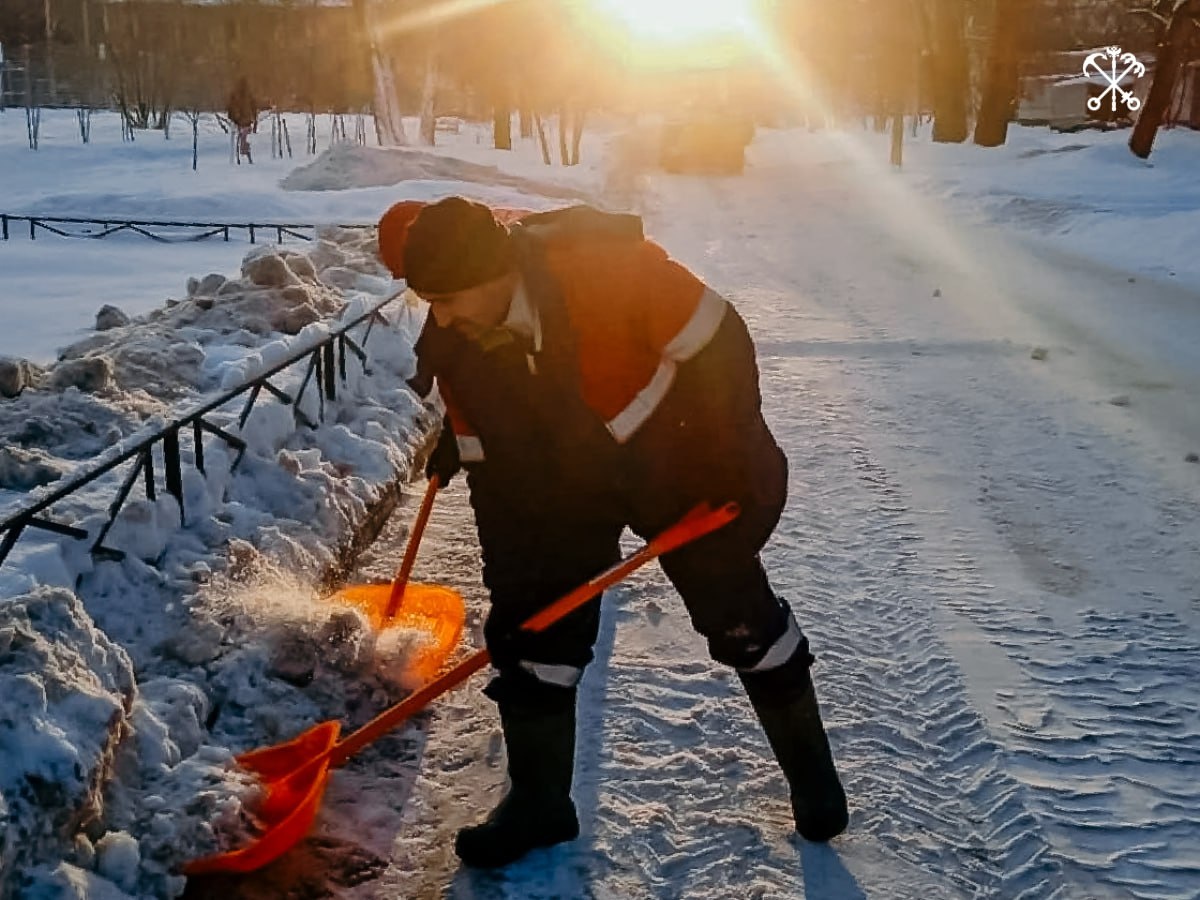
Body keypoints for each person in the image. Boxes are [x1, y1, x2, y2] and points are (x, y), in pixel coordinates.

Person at [376, 196, 849, 869]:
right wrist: (511, 587)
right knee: (534, 629)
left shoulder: (604, 274)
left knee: (740, 616)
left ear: (493, 274)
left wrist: (729, 454)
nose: (440, 317)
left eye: (447, 299)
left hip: (677, 462)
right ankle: (539, 804)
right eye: (430, 302)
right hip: (563, 482)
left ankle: (814, 780)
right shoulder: (456, 344)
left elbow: (721, 341)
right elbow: (493, 477)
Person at [227, 76, 257, 164]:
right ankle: (244, 151)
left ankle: (243, 151)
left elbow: (231, 107)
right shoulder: (248, 95)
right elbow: (253, 106)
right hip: (246, 119)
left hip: (239, 119)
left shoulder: (235, 94)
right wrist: (254, 117)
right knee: (244, 136)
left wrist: (232, 118)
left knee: (242, 136)